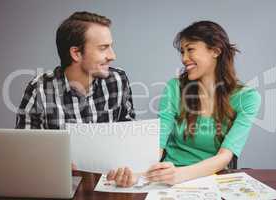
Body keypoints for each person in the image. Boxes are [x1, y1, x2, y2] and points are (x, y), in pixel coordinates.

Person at [107, 21, 261, 187]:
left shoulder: (247, 98)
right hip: (168, 174)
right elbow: (160, 140)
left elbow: (225, 156)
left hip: (211, 179)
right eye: (182, 52)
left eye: (190, 50)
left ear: (215, 51)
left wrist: (180, 175)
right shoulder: (175, 87)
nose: (184, 59)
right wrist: (139, 173)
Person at [16, 11, 135, 130]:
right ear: (76, 53)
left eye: (111, 46)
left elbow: (130, 136)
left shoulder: (118, 80)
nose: (112, 56)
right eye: (103, 48)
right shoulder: (40, 89)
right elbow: (25, 146)